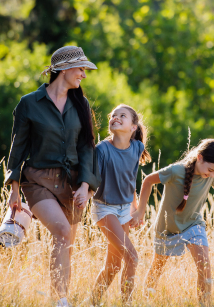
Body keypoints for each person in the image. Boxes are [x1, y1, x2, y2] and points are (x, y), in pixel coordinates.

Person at [5, 46, 100, 307]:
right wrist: (14, 189)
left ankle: (60, 297)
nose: (83, 74)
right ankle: (61, 301)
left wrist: (84, 186)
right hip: (37, 179)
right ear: (63, 69)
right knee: (60, 230)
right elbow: (18, 147)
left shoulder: (80, 104)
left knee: (66, 241)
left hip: (71, 184)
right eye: (80, 68)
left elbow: (86, 147)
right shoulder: (28, 103)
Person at [132, 139, 214, 305]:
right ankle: (145, 301)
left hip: (193, 225)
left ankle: (205, 304)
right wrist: (140, 211)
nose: (212, 175)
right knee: (157, 267)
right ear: (199, 158)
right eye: (210, 170)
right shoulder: (176, 171)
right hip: (167, 227)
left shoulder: (212, 174)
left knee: (204, 266)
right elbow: (147, 181)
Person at [90, 104, 152, 304]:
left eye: (122, 116)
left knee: (114, 265)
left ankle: (92, 302)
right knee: (132, 257)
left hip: (125, 208)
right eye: (113, 115)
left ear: (133, 127)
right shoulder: (102, 150)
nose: (115, 117)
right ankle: (127, 304)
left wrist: (134, 208)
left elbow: (130, 179)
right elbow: (92, 181)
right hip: (104, 208)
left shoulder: (137, 148)